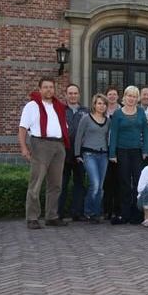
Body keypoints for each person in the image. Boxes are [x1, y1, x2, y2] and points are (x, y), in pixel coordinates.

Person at [18, 77, 70, 229]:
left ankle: (51, 216)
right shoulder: (32, 106)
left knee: (56, 184)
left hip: (58, 145)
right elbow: (22, 128)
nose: (49, 90)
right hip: (41, 144)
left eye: (51, 87)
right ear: (40, 89)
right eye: (46, 87)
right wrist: (23, 148)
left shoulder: (58, 106)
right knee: (36, 182)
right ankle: (32, 217)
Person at [109, 86, 148, 224]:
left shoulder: (140, 112)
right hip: (121, 151)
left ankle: (136, 213)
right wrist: (112, 153)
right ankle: (124, 213)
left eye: (134, 96)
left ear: (137, 98)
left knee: (138, 182)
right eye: (129, 96)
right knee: (124, 182)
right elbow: (113, 134)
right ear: (124, 97)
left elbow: (145, 131)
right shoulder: (117, 114)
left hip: (137, 151)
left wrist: (145, 150)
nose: (131, 99)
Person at [75, 93, 111, 224]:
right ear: (94, 104)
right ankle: (88, 211)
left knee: (100, 187)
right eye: (99, 103)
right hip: (89, 155)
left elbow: (109, 138)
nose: (101, 106)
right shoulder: (86, 118)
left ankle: (96, 213)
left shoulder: (108, 121)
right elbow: (79, 136)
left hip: (103, 156)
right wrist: (77, 154)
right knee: (94, 184)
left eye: (104, 104)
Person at [58, 84, 88, 221]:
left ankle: (77, 212)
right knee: (61, 184)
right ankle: (58, 213)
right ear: (65, 95)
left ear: (79, 95)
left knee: (79, 184)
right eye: (70, 93)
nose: (73, 96)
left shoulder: (86, 111)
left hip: (80, 153)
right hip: (63, 152)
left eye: (75, 93)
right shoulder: (60, 110)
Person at [103, 86, 121, 220]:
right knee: (106, 181)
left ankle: (117, 209)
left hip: (119, 148)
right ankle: (106, 209)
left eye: (114, 94)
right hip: (104, 148)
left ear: (118, 97)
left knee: (118, 180)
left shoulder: (122, 110)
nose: (112, 96)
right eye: (110, 94)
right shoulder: (102, 110)